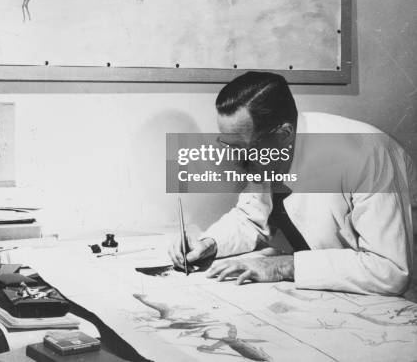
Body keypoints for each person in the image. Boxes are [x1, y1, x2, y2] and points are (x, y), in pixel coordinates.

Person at [169, 71, 416, 295]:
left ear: (283, 134)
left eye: (242, 148)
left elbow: (390, 271)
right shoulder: (268, 150)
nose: (234, 160)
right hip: (336, 294)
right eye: (227, 145)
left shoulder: (367, 153)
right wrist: (209, 244)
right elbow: (252, 218)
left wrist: (284, 266)